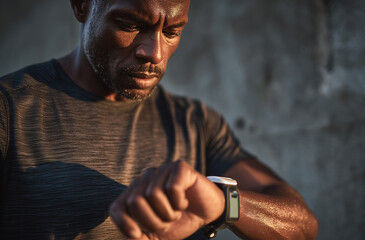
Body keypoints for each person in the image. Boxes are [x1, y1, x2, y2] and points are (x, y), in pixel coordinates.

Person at [0, 0, 318, 239]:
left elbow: (303, 226)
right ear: (83, 5)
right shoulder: (9, 109)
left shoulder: (195, 123)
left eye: (171, 32)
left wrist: (222, 204)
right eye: (129, 24)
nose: (153, 52)